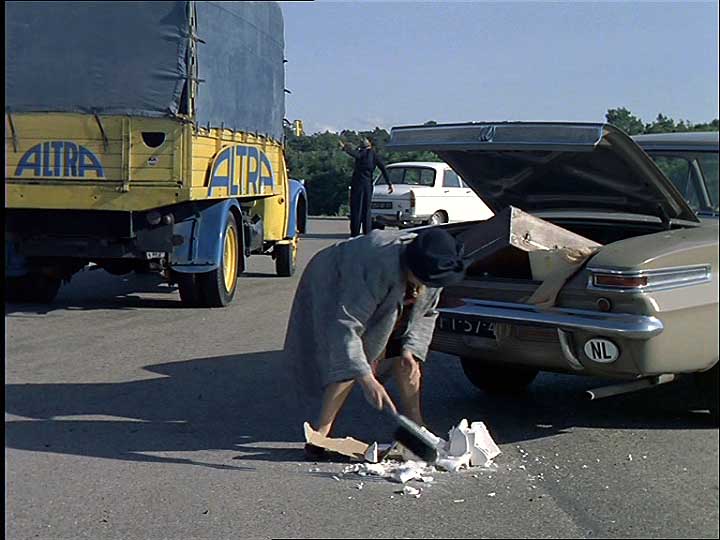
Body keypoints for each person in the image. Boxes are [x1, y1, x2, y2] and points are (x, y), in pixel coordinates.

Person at [283, 227, 468, 460]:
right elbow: (347, 328)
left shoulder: (436, 268)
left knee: (407, 361)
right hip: (336, 276)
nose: (428, 286)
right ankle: (321, 435)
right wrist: (367, 378)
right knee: (352, 361)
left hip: (395, 290)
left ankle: (417, 427)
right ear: (412, 269)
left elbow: (427, 313)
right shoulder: (377, 265)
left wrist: (411, 350)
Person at [339, 137, 394, 237]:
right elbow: (383, 168)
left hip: (357, 184)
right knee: (367, 209)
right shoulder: (374, 155)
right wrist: (389, 183)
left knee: (356, 209)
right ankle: (367, 232)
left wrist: (345, 148)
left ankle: (355, 233)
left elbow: (356, 155)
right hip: (368, 184)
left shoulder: (361, 153)